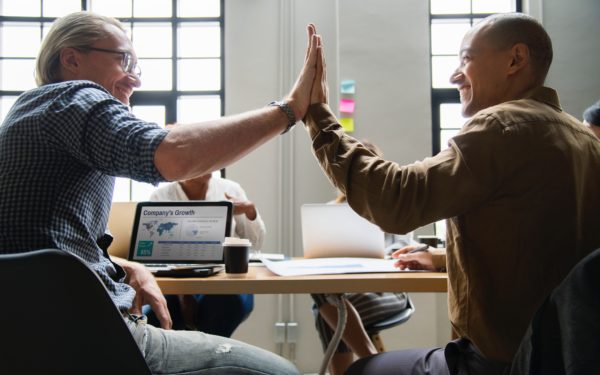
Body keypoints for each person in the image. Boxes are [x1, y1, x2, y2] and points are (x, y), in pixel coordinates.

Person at [0, 11, 321, 375]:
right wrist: (290, 109)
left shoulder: (24, 115)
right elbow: (175, 154)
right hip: (90, 338)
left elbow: (39, 251)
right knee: (283, 372)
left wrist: (123, 265)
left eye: (137, 65)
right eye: (123, 60)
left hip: (29, 339)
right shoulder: (76, 99)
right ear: (72, 59)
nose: (134, 77)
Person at [302, 14, 600, 375]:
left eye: (466, 59)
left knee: (360, 371)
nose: (454, 75)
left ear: (515, 60)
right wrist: (443, 257)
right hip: (564, 358)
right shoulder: (584, 140)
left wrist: (317, 114)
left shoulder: (500, 126)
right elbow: (549, 242)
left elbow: (397, 198)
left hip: (497, 364)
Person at [310, 139, 412, 375]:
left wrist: (375, 253)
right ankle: (373, 361)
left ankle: (370, 362)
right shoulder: (331, 210)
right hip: (346, 290)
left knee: (326, 313)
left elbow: (403, 251)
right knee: (325, 299)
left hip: (387, 292)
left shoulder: (394, 207)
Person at [145, 170, 266, 336]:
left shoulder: (230, 190)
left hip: (223, 278)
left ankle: (208, 355)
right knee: (157, 310)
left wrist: (250, 210)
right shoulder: (161, 197)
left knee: (226, 301)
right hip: (175, 280)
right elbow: (156, 255)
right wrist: (183, 293)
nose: (208, 166)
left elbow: (255, 243)